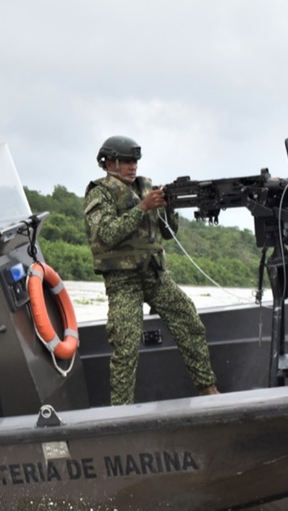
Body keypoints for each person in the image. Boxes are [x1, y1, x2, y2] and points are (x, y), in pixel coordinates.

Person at [84, 135, 219, 405]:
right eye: (125, 161)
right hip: (124, 282)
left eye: (134, 161)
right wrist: (142, 208)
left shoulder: (146, 187)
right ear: (109, 162)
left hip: (155, 276)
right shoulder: (100, 193)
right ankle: (121, 411)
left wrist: (169, 209)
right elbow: (107, 234)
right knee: (126, 344)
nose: (132, 166)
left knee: (189, 321)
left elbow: (169, 234)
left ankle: (207, 388)